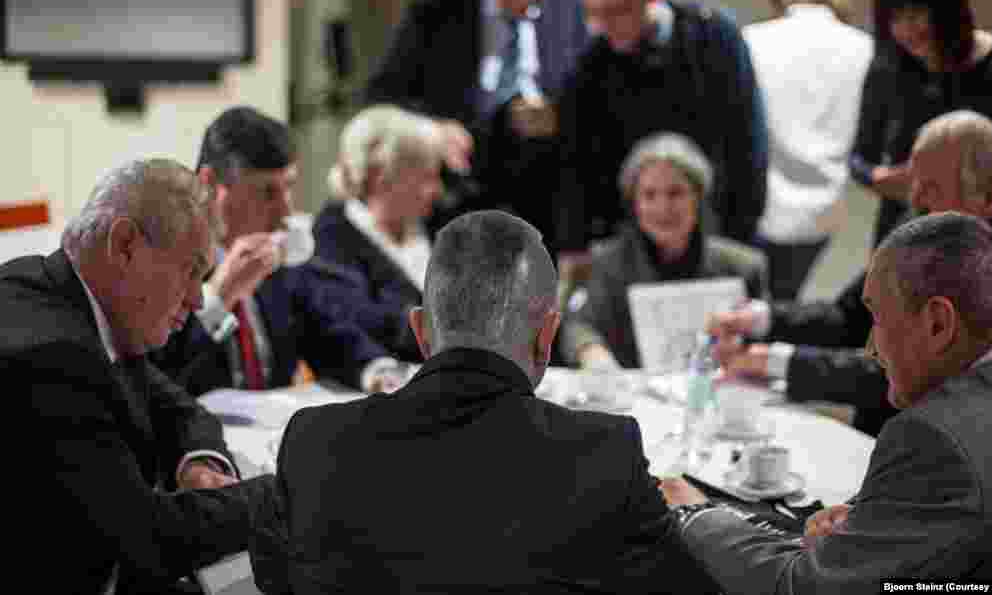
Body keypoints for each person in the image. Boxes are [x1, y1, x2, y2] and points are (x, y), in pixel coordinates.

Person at [256, 210, 718, 593]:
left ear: (420, 332)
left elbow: (275, 576)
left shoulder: (312, 441)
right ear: (547, 338)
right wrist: (700, 514)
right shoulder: (605, 452)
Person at [663, 211, 992, 586]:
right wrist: (873, 516)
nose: (870, 348)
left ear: (937, 323)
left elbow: (799, 588)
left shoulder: (935, 439)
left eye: (878, 319)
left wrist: (695, 511)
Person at [13, 158, 275, 593]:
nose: (197, 299)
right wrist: (287, 489)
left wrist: (199, 463)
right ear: (125, 245)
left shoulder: (75, 300)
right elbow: (147, 539)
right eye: (191, 271)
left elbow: (176, 406)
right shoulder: (49, 355)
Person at [710, 110, 992, 435]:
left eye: (931, 186)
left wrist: (777, 362)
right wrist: (761, 318)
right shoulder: (920, 224)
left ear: (991, 197)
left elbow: (915, 369)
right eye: (912, 180)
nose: (914, 197)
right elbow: (851, 315)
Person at [364, 0, 589, 247]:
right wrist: (433, 130)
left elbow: (590, 96)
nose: (530, 0)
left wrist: (559, 115)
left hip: (544, 193)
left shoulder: (570, 11)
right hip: (456, 188)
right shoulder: (434, 16)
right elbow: (381, 98)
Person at [153, 106, 404, 396]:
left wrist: (378, 371)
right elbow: (158, 379)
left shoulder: (277, 257)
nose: (286, 209)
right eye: (267, 192)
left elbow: (330, 336)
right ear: (210, 184)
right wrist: (219, 299)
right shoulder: (166, 259)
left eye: (289, 188)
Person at [556, 0, 768, 267]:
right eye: (593, 13)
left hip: (714, 229)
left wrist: (737, 234)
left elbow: (747, 144)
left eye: (615, 11)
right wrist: (577, 242)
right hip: (632, 240)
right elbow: (576, 163)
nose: (600, 25)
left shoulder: (715, 38)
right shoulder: (593, 64)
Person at [849, 0, 992, 245]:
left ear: (945, 9)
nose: (905, 30)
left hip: (990, 240)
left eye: (916, 14)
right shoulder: (887, 69)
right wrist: (882, 178)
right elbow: (859, 157)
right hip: (905, 235)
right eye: (895, 18)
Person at [561, 132, 767, 371]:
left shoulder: (744, 267)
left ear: (698, 197)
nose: (663, 207)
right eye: (649, 195)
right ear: (634, 203)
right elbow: (579, 325)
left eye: (675, 193)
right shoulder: (608, 262)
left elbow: (763, 337)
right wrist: (592, 352)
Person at [743, 0, 874, 299]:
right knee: (785, 304)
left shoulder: (751, 40)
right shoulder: (865, 48)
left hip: (759, 205)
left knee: (751, 310)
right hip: (824, 210)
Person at [313, 105, 445, 362]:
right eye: (427, 176)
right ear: (380, 176)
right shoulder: (332, 237)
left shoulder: (437, 227)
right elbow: (360, 324)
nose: (437, 189)